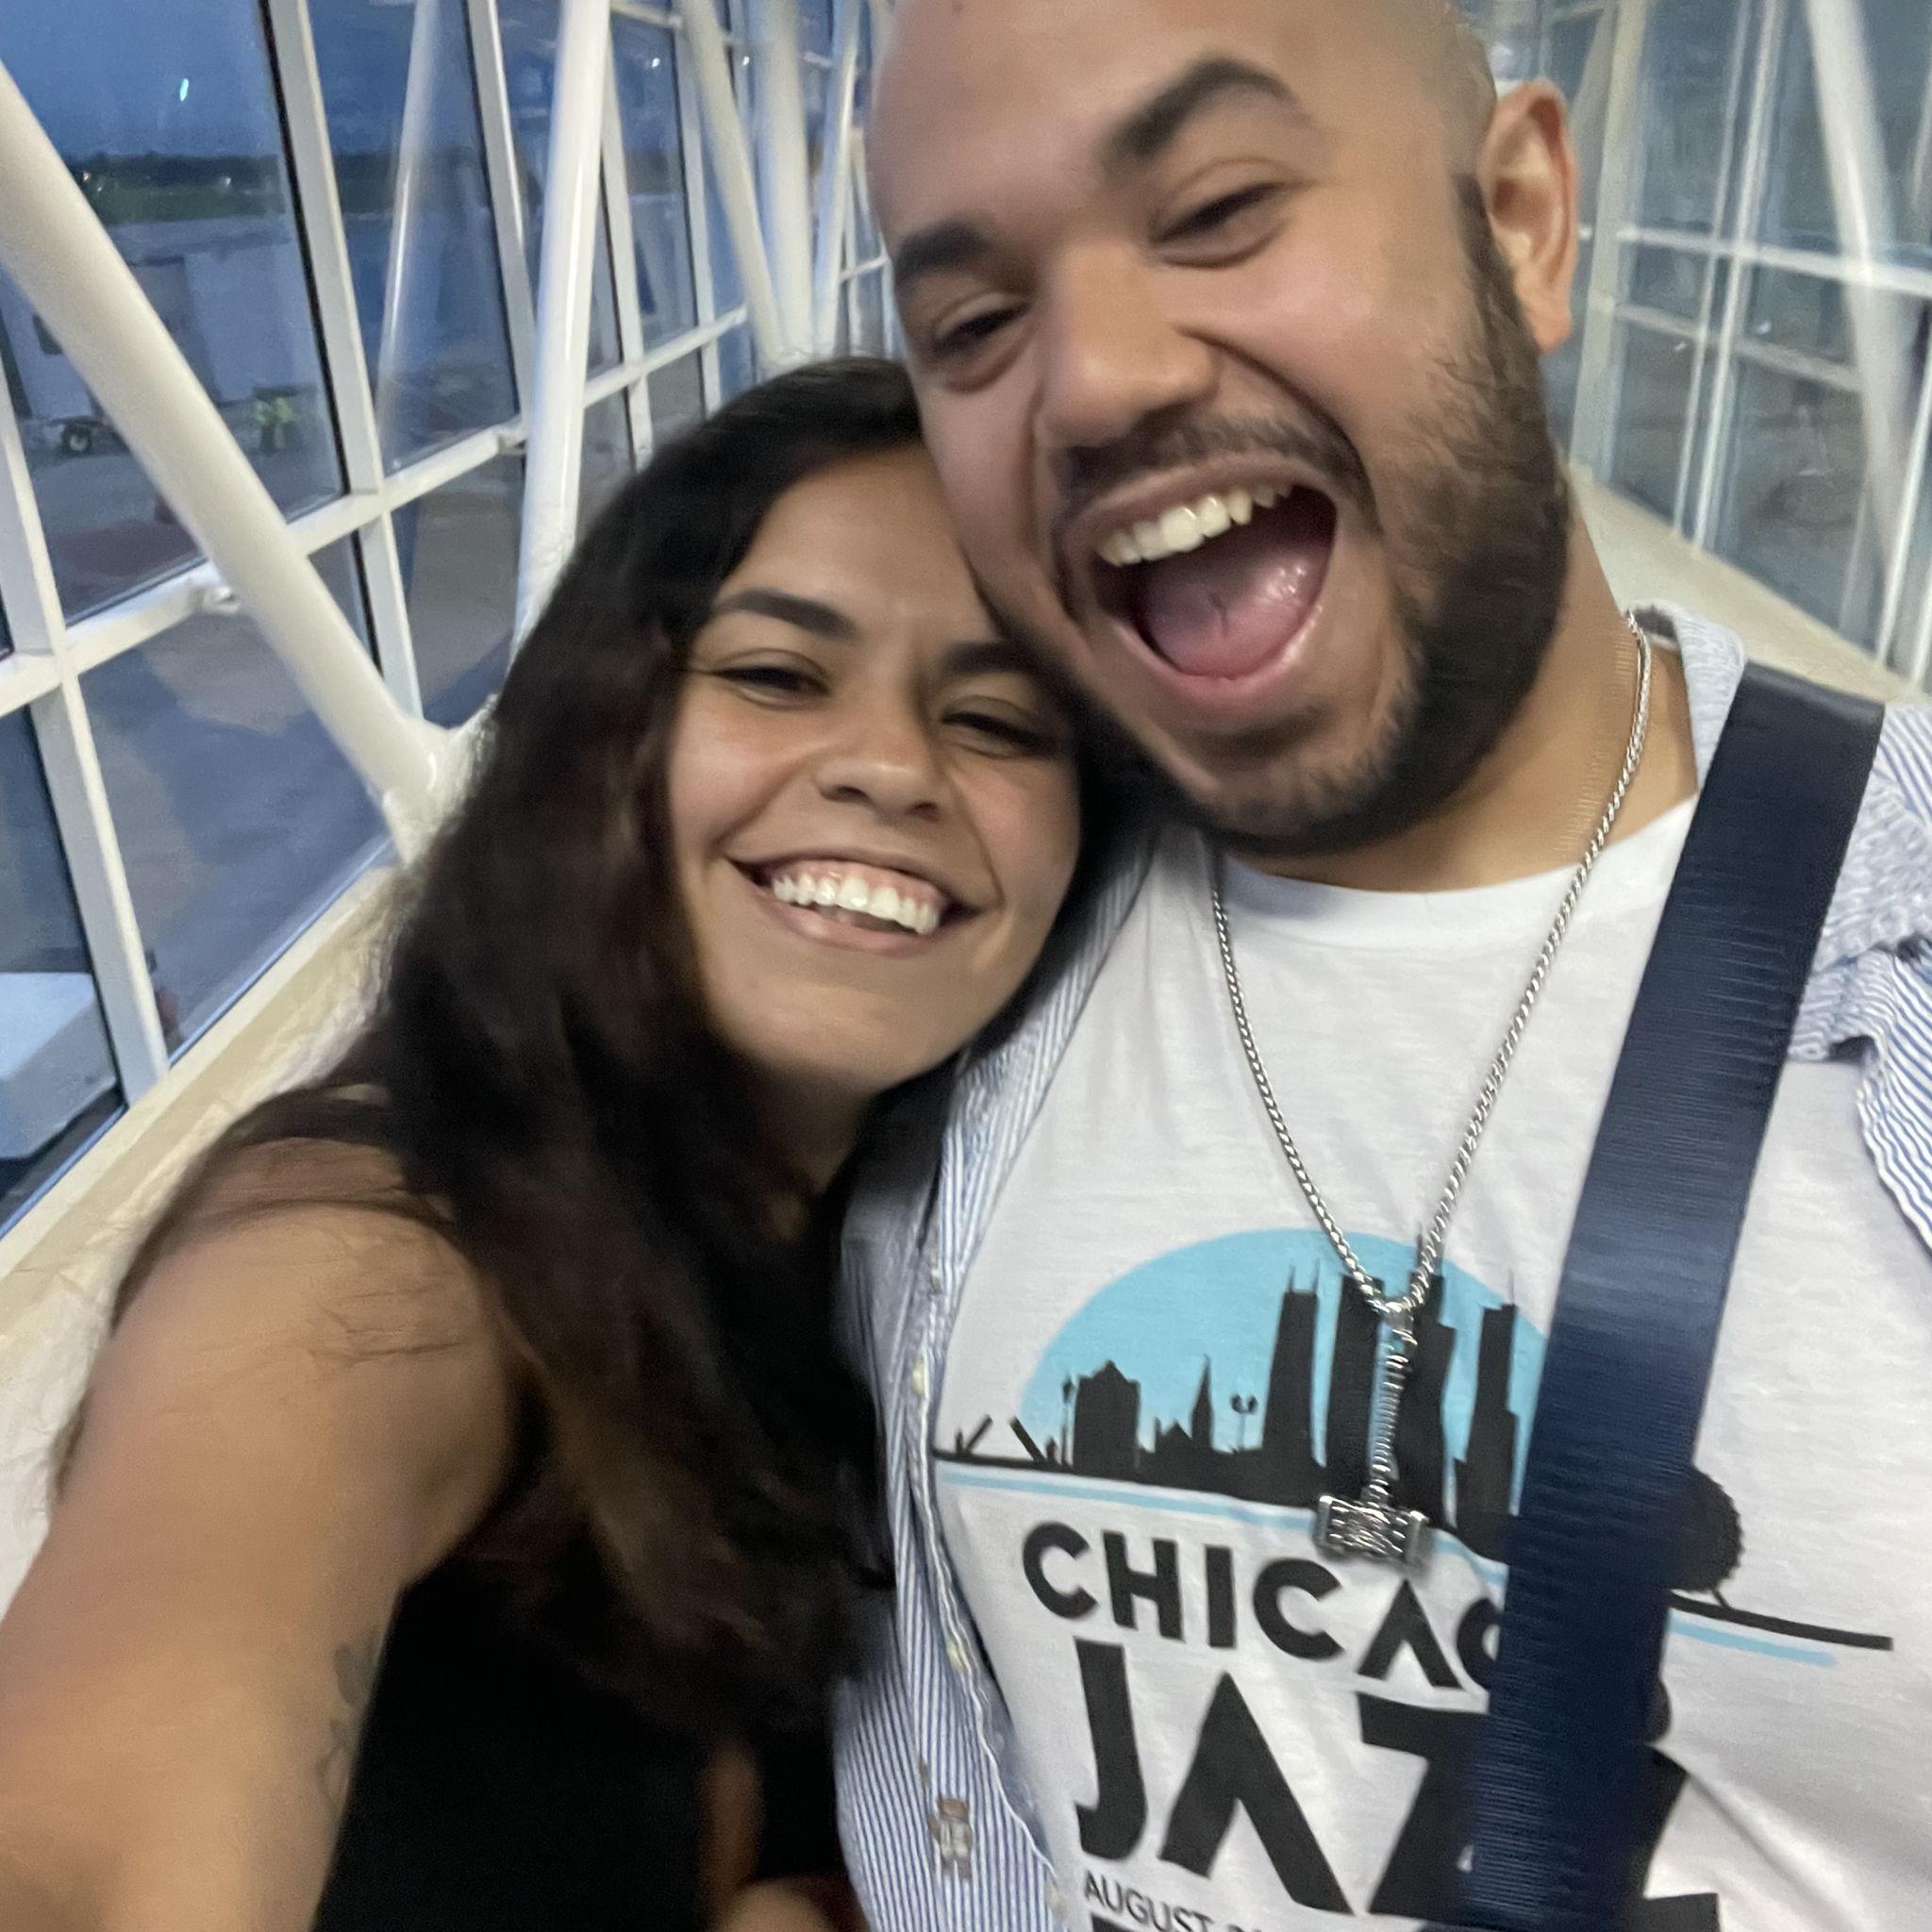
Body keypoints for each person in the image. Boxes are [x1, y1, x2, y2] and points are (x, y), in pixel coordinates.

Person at [836, 3, 1932, 1928]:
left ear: (1517, 216)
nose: (1090, 382)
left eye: (1218, 208)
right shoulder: (941, 982)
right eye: (972, 328)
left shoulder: (1890, 947)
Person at [0, 358, 1090, 1932]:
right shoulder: (379, 1247)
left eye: (995, 718)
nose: (893, 766)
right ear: (605, 738)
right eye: (780, 676)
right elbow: (86, 1835)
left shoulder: (894, 1264)